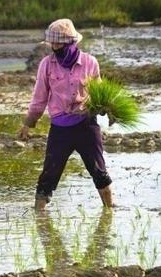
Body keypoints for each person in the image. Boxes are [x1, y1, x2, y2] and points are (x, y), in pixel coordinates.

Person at [18, 18, 114, 208]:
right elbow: (39, 98)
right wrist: (28, 123)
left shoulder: (90, 63)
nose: (54, 47)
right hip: (60, 130)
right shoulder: (47, 64)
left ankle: (109, 212)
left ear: (72, 42)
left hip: (86, 125)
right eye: (52, 44)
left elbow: (99, 93)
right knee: (48, 175)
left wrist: (109, 110)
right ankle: (40, 215)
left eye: (58, 44)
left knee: (99, 172)